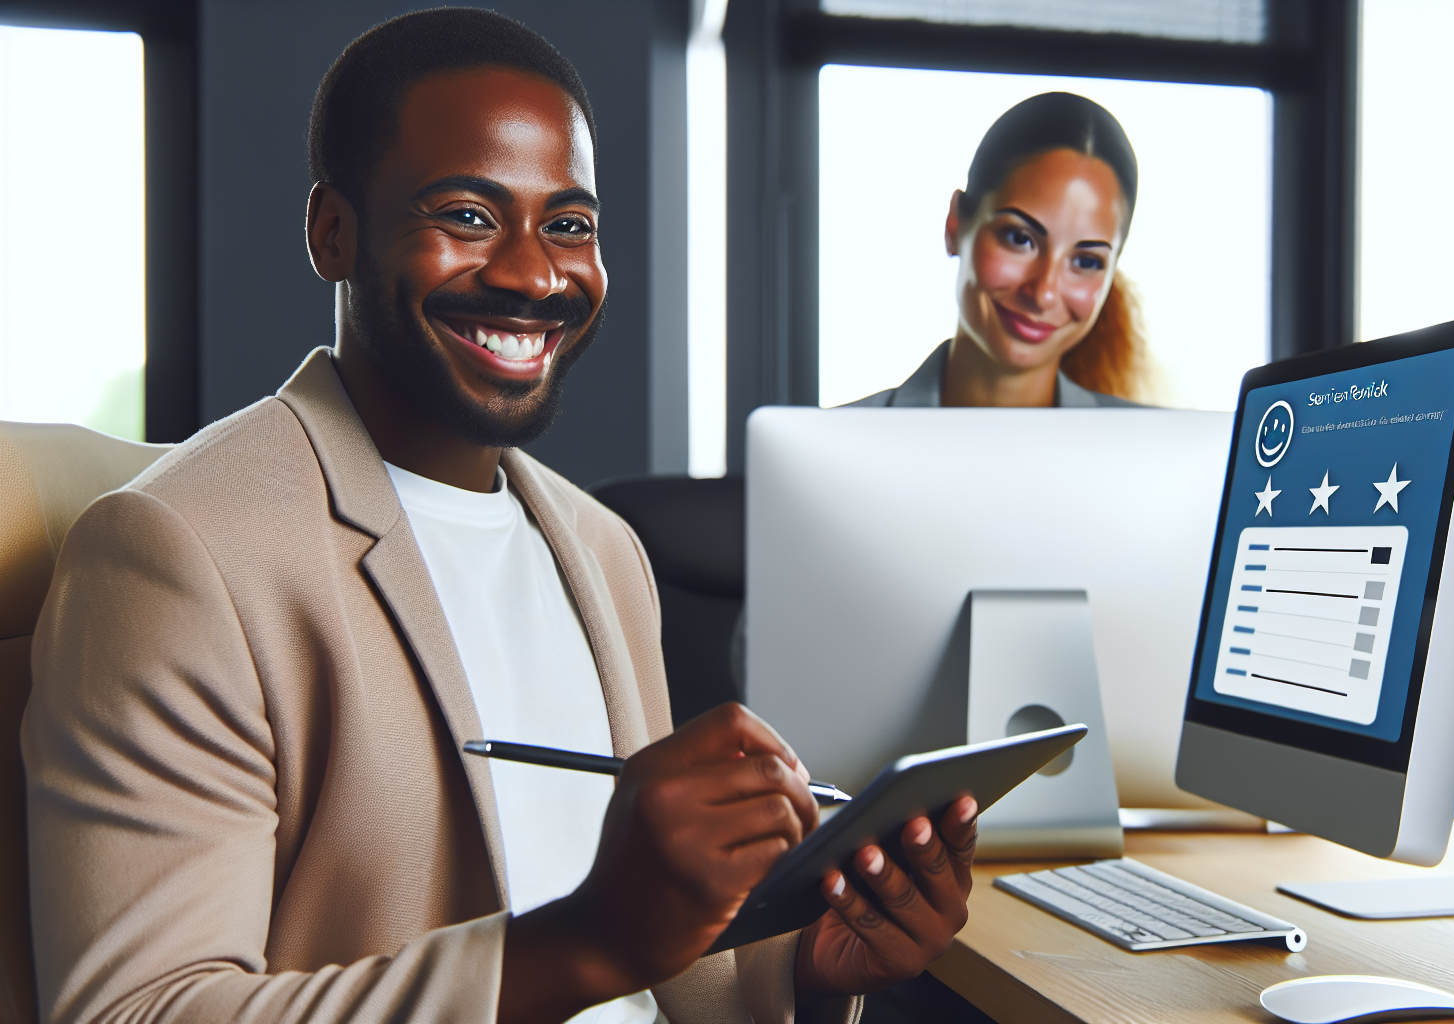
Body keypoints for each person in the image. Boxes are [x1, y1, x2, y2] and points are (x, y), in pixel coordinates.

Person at [23, 10, 974, 1024]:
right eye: (468, 216)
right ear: (331, 232)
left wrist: (805, 967)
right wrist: (585, 941)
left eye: (568, 225)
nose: (532, 273)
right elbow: (140, 1010)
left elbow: (656, 971)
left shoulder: (602, 550)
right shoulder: (178, 554)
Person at [848, 92, 1154, 409]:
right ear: (955, 223)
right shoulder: (839, 441)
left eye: (1086, 261)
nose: (1043, 293)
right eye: (1019, 238)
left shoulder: (1152, 452)